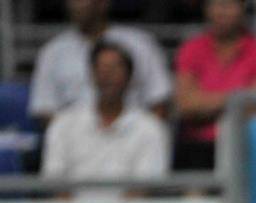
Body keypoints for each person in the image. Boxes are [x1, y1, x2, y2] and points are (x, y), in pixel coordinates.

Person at [41, 41, 171, 183]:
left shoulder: (150, 128)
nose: (107, 75)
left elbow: (143, 187)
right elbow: (56, 184)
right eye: (102, 68)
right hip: (73, 199)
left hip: (130, 199)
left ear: (130, 77)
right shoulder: (63, 124)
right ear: (92, 75)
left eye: (115, 68)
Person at [28, 0, 172, 122]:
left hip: (133, 138)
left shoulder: (140, 44)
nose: (74, 5)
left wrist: (144, 137)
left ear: (103, 3)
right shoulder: (52, 52)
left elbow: (159, 101)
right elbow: (44, 109)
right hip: (73, 140)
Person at [174, 0, 256, 170]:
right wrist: (237, 99)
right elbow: (186, 105)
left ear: (243, 10)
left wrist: (205, 102)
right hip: (198, 145)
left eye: (229, 5)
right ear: (206, 10)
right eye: (217, 5)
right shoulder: (191, 48)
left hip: (246, 144)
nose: (222, 12)